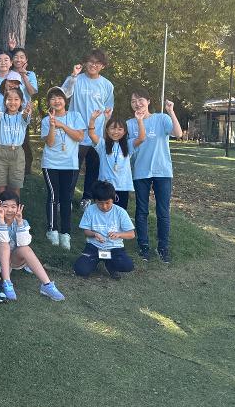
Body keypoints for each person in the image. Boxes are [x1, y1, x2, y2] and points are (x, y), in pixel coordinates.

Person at [127, 89, 183, 263]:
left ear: (148, 101)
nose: (137, 104)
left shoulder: (161, 118)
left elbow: (178, 134)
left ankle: (163, 247)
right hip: (140, 171)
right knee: (141, 210)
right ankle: (143, 246)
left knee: (163, 211)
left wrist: (171, 111)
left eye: (140, 100)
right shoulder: (129, 124)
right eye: (133, 101)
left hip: (162, 171)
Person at [61, 49, 115, 208]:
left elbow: (108, 110)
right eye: (90, 61)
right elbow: (64, 94)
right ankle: (66, 199)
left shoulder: (107, 85)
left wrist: (106, 130)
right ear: (85, 63)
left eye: (97, 63)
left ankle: (87, 198)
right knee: (72, 168)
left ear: (103, 66)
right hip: (77, 132)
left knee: (93, 168)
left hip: (97, 134)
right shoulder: (77, 79)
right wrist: (73, 75)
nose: (93, 65)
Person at [0, 191, 65, 301]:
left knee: (25, 248)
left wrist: (19, 223)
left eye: (13, 206)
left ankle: (47, 285)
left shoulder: (23, 222)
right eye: (5, 206)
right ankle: (7, 283)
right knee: (4, 244)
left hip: (13, 258)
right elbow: (3, 239)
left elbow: (24, 243)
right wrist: (1, 220)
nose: (9, 210)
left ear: (18, 207)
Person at [40, 86, 86, 251]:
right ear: (49, 102)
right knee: (53, 195)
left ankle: (66, 233)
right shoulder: (46, 120)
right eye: (53, 98)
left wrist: (62, 125)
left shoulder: (75, 116)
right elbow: (50, 142)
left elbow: (79, 136)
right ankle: (52, 230)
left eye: (59, 97)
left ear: (65, 100)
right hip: (50, 163)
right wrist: (53, 125)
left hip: (70, 164)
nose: (56, 101)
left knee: (66, 198)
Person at [73, 181, 136, 279]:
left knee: (127, 265)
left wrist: (119, 234)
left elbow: (131, 234)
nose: (104, 206)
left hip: (114, 247)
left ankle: (110, 264)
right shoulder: (90, 210)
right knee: (80, 269)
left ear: (113, 199)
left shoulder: (120, 212)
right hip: (94, 246)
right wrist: (94, 234)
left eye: (107, 203)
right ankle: (94, 261)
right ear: (95, 201)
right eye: (100, 203)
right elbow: (86, 231)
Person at [88, 111, 141, 210]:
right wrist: (92, 119)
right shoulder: (102, 144)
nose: (116, 132)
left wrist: (140, 121)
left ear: (124, 132)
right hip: (105, 187)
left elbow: (141, 138)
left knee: (120, 212)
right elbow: (91, 135)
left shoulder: (128, 145)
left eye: (120, 129)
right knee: (104, 211)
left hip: (122, 186)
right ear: (107, 130)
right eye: (112, 128)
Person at [0, 88, 32, 196]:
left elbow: (25, 116)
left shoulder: (22, 116)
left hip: (17, 153)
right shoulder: (2, 116)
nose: (12, 102)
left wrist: (26, 112)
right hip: (1, 152)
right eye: (9, 99)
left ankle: (16, 206)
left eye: (16, 99)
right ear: (5, 102)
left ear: (21, 102)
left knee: (15, 186)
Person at [11, 47, 39, 175]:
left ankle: (25, 170)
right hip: (9, 111)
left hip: (24, 112)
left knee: (23, 141)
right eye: (16, 56)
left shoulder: (30, 74)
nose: (19, 59)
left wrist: (23, 75)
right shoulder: (9, 73)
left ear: (26, 60)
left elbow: (32, 91)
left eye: (22, 57)